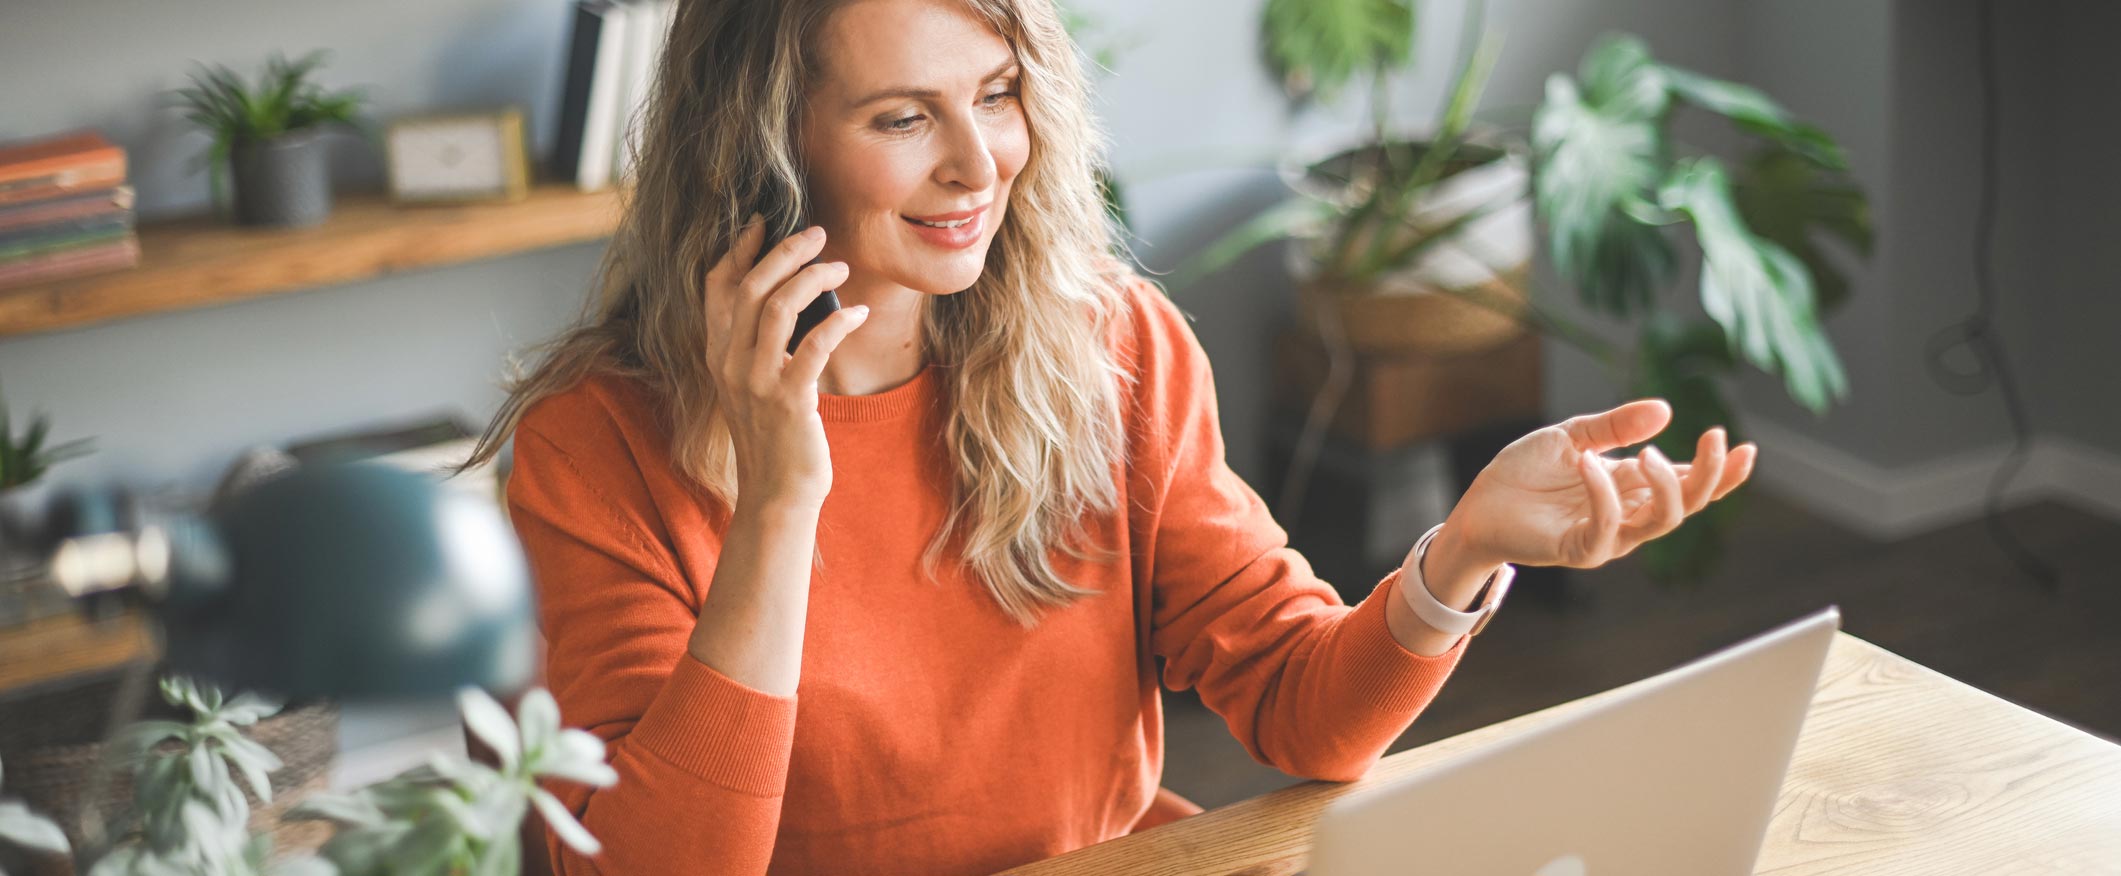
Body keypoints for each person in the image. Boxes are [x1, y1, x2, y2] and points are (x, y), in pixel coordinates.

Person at [461, 0, 1758, 873]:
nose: (982, 163)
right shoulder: (597, 446)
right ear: (764, 153)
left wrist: (1460, 551)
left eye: (1000, 93)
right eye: (903, 117)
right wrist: (781, 501)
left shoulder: (1113, 348)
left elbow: (1304, 716)